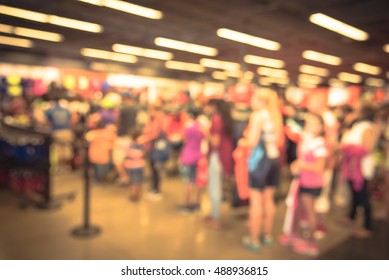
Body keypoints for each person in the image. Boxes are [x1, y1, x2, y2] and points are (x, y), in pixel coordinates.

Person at [241, 88, 283, 253]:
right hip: (274, 160)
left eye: (254, 99)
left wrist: (243, 141)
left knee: (256, 201)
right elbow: (279, 141)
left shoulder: (257, 116)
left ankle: (254, 239)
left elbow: (252, 141)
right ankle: (267, 235)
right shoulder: (276, 116)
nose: (251, 102)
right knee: (269, 199)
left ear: (262, 101)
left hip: (260, 162)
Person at [289, 113, 328, 256]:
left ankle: (311, 243)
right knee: (305, 210)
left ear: (321, 127)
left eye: (314, 123)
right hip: (305, 181)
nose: (309, 125)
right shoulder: (309, 140)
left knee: (310, 212)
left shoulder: (319, 144)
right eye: (309, 122)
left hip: (312, 183)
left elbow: (319, 167)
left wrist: (300, 164)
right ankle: (302, 237)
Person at [339, 106, 379, 238]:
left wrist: (348, 148)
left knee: (363, 196)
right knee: (355, 194)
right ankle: (352, 216)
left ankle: (367, 226)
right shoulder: (360, 126)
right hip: (353, 166)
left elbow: (366, 148)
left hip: (360, 167)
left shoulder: (367, 128)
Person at [306, 91, 339, 239]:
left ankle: (320, 226)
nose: (308, 104)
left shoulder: (327, 118)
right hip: (316, 165)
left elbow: (331, 145)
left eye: (311, 101)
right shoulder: (323, 117)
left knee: (321, 198)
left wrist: (325, 165)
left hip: (321, 166)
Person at [203, 98, 234, 229]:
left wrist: (206, 132)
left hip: (217, 156)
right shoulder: (227, 119)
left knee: (214, 187)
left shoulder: (216, 119)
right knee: (217, 186)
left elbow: (215, 142)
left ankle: (216, 218)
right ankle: (214, 215)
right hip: (225, 156)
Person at [178, 109, 205, 212]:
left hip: (188, 157)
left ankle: (187, 204)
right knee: (197, 181)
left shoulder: (188, 128)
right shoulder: (201, 127)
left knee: (187, 181)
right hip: (198, 156)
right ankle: (197, 203)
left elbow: (183, 139)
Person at [141, 104, 167, 201]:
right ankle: (154, 189)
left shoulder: (159, 121)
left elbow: (156, 134)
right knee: (152, 169)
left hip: (156, 149)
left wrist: (145, 138)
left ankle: (156, 190)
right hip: (150, 149)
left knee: (156, 170)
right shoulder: (152, 120)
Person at [113, 92, 138, 185]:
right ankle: (130, 177)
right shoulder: (135, 109)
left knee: (118, 160)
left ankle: (124, 178)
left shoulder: (122, 109)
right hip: (131, 137)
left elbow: (117, 121)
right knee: (128, 159)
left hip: (122, 137)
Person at [45, 98, 75, 170]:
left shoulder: (51, 111)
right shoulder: (66, 110)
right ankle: (67, 166)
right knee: (67, 148)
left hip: (56, 132)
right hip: (66, 131)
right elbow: (71, 120)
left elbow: (47, 121)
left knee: (58, 149)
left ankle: (60, 166)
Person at [85, 119, 116, 184]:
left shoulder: (92, 133)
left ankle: (98, 179)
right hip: (104, 154)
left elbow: (87, 140)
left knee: (96, 167)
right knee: (102, 168)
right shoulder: (108, 133)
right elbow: (114, 140)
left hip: (94, 153)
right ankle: (101, 179)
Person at [124, 128, 145, 202]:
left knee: (135, 181)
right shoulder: (139, 145)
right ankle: (135, 194)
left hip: (133, 166)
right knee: (136, 181)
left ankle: (135, 194)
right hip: (136, 166)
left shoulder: (130, 145)